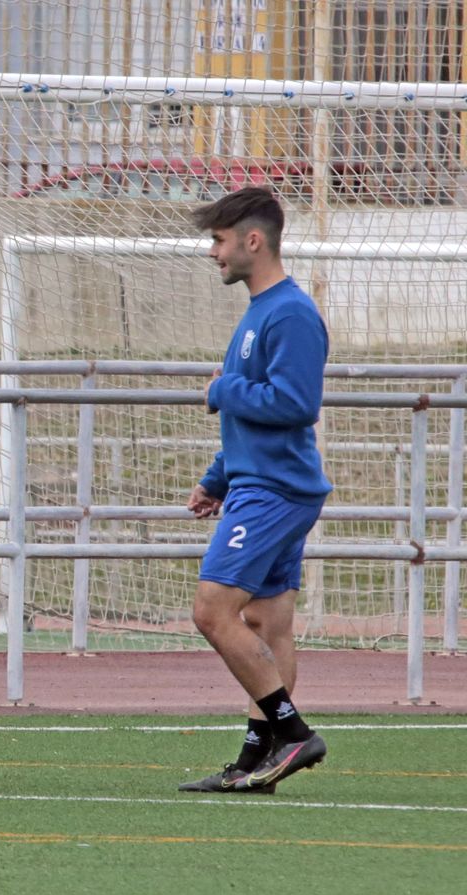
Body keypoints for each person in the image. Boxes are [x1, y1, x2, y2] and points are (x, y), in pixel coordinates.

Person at [179, 187, 330, 793]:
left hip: (275, 491)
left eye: (218, 240)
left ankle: (294, 735)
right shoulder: (258, 312)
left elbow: (296, 404)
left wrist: (221, 391)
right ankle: (255, 758)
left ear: (252, 240)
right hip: (260, 483)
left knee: (213, 612)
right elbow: (252, 416)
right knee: (268, 623)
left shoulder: (290, 312)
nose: (213, 252)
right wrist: (218, 477)